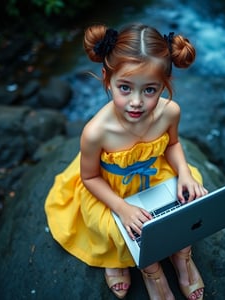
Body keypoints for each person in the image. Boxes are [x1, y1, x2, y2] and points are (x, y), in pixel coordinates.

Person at [45, 23, 208, 300]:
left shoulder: (169, 112)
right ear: (107, 78)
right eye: (125, 87)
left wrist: (184, 173)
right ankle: (148, 269)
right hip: (111, 188)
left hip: (154, 176)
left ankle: (181, 256)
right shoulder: (96, 131)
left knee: (191, 197)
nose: (136, 102)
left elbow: (173, 145)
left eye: (149, 90)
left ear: (164, 85)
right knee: (117, 228)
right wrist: (122, 207)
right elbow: (90, 178)